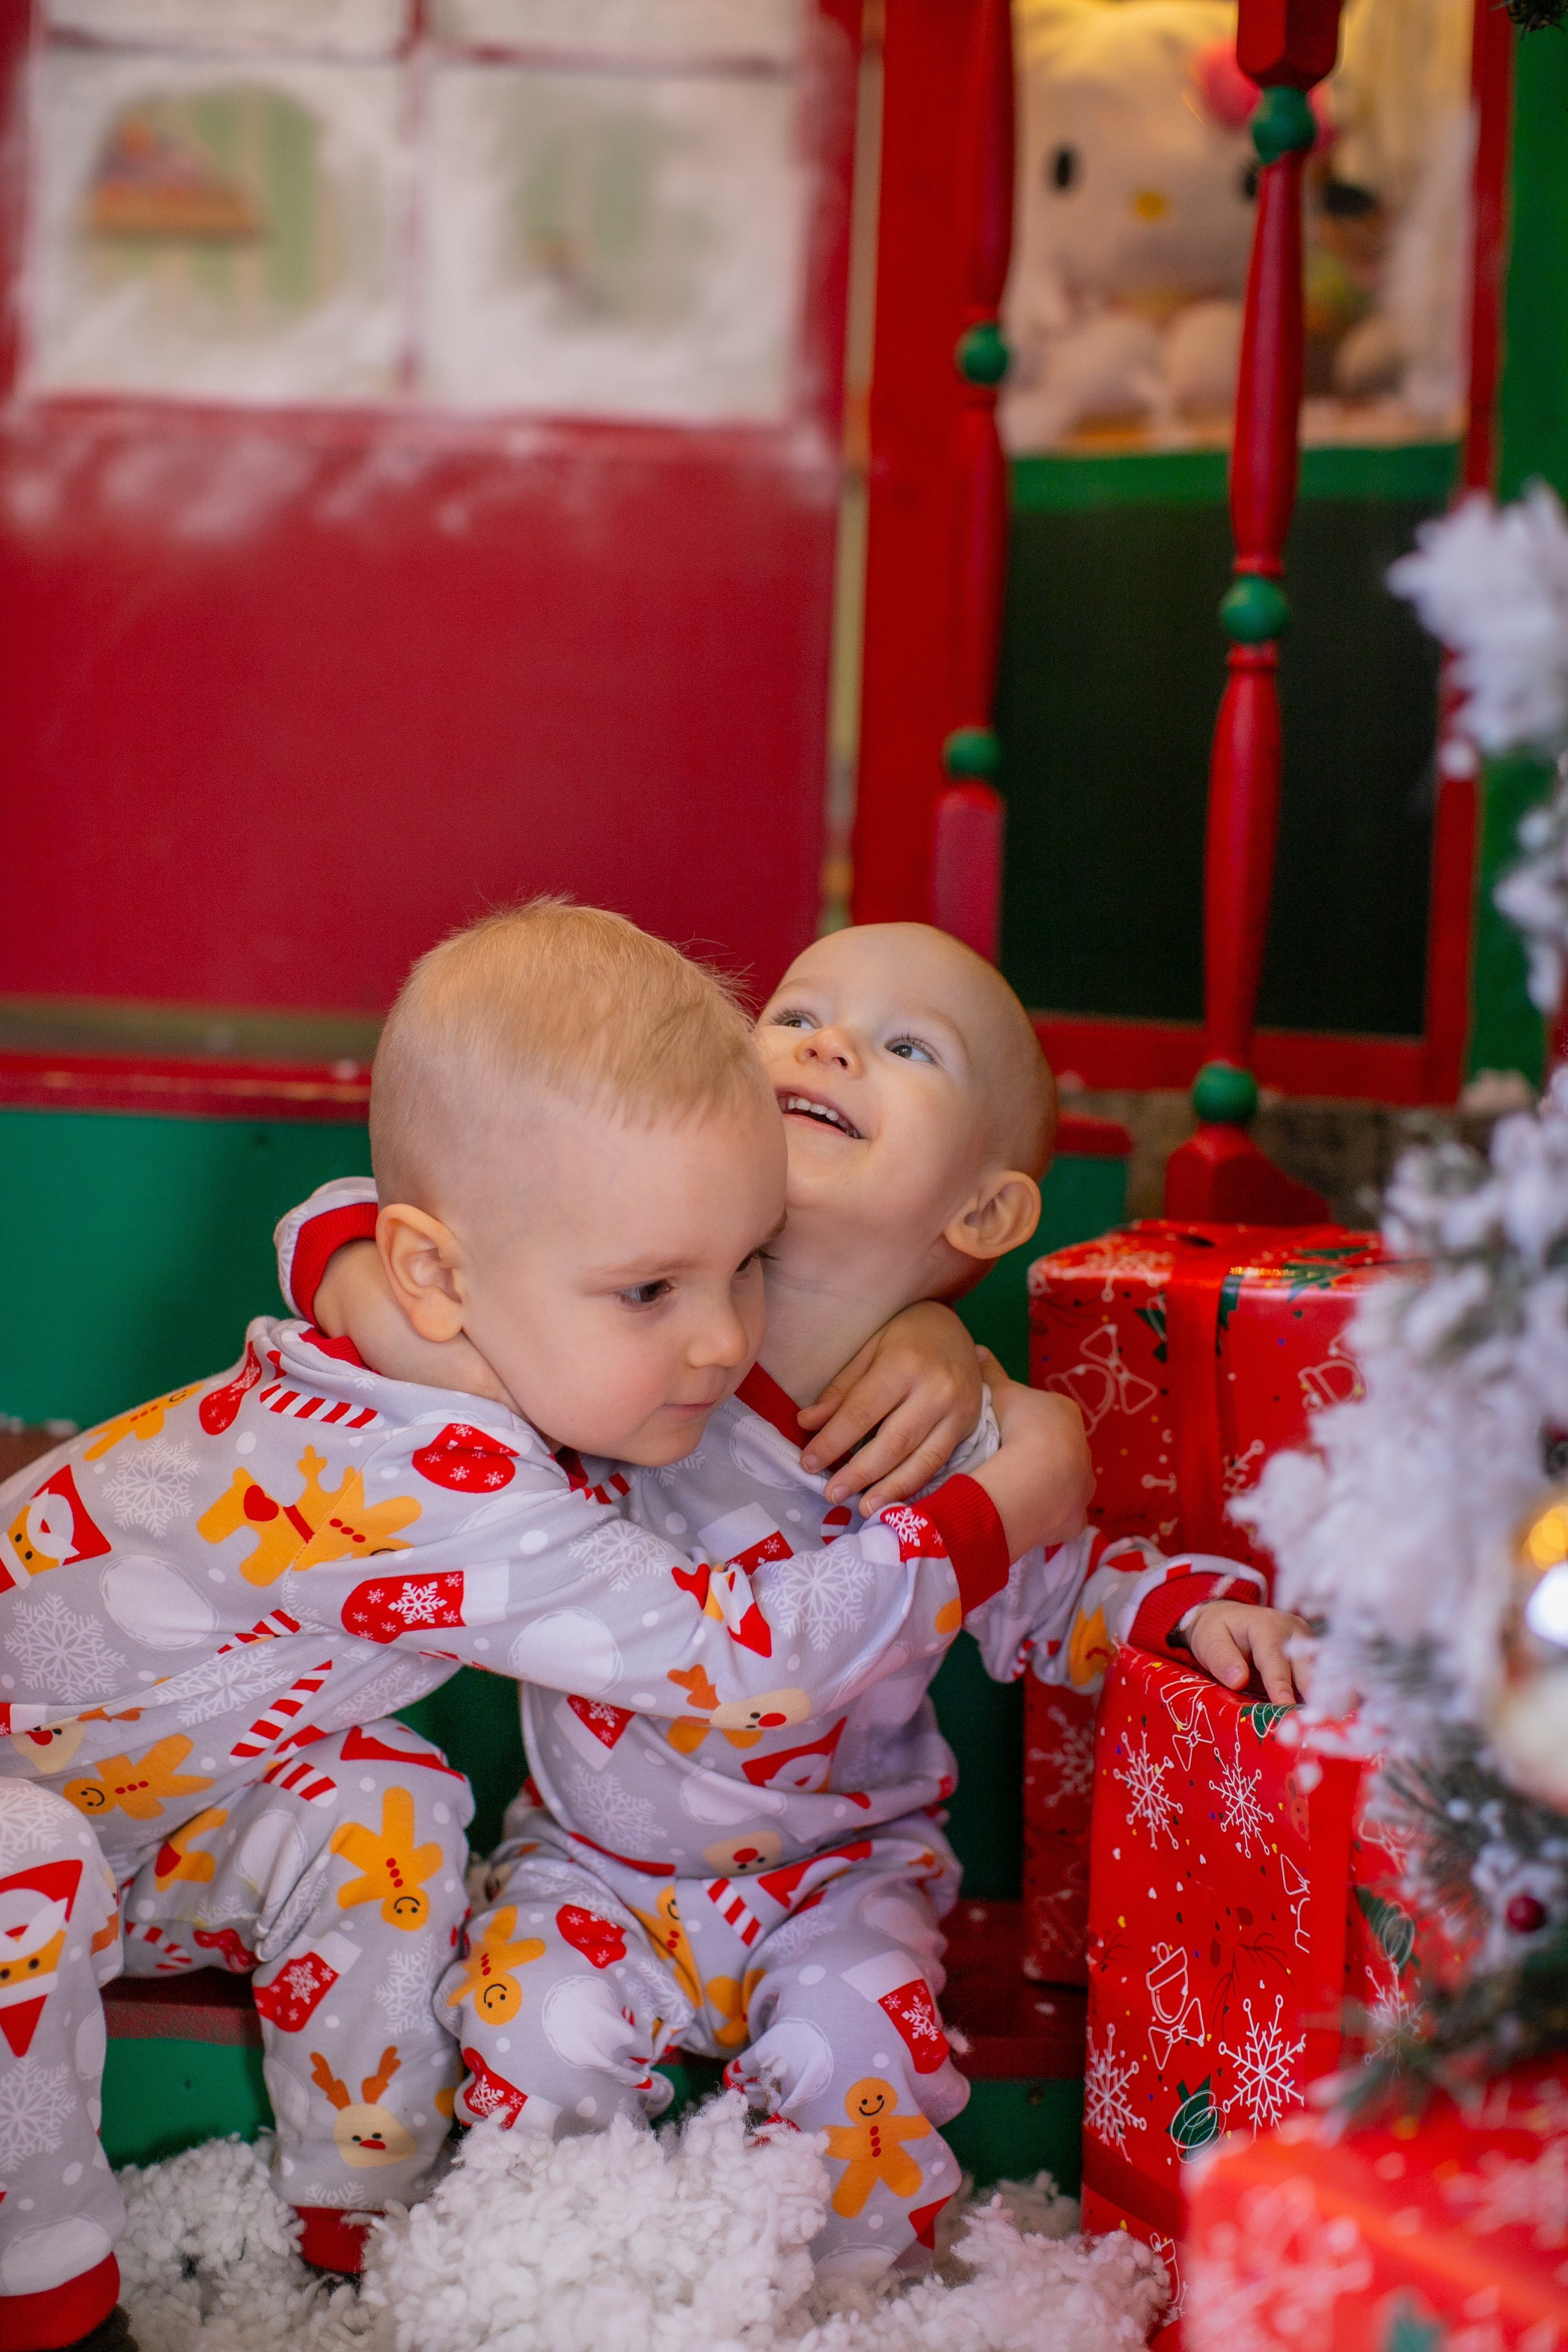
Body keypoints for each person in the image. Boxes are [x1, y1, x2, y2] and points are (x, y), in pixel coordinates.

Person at [0, 906, 1084, 2352]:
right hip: (31, 1806)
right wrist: (1002, 1504)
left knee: (382, 1801)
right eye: (653, 1291)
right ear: (438, 1275)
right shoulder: (423, 1479)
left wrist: (936, 1335)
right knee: (34, 1867)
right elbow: (739, 1659)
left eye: (745, 1264)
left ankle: (358, 2225)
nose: (716, 1343)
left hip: (170, 1793)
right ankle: (50, 2306)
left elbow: (355, 1210)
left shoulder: (486, 1309)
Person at [288, 916, 1306, 2285]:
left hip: (840, 1875)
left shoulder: (956, 1443)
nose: (826, 1042)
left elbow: (1053, 1580)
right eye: (798, 1012)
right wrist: (362, 1277)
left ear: (986, 1217)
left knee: (862, 2071)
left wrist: (1184, 1610)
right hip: (593, 1864)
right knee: (532, 2043)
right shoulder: (619, 1324)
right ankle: (559, 2290)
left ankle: (850, 2302)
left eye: (902, 1046)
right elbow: (356, 1222)